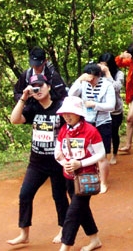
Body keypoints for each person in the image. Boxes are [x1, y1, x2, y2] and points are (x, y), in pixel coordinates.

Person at [7, 74, 68, 246]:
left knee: (59, 196)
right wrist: (23, 99)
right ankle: (23, 233)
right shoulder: (33, 108)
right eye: (34, 87)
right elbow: (14, 120)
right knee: (25, 194)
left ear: (49, 87)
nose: (38, 89)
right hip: (37, 163)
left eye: (41, 85)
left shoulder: (60, 107)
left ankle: (64, 229)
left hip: (57, 161)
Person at [55, 96, 104, 251]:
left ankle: (65, 247)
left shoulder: (91, 131)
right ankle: (95, 239)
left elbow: (101, 154)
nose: (67, 116)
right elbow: (57, 152)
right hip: (69, 178)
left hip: (86, 178)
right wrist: (65, 164)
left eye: (71, 113)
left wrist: (80, 164)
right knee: (82, 209)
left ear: (79, 114)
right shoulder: (64, 130)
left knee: (73, 212)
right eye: (64, 113)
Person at [68, 64, 116, 193]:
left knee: (102, 155)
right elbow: (70, 95)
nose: (90, 81)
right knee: (88, 152)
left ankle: (104, 182)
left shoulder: (107, 85)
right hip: (87, 122)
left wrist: (95, 105)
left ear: (98, 76)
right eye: (88, 78)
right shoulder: (83, 83)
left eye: (92, 79)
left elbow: (111, 106)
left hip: (103, 122)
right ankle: (91, 177)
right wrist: (79, 80)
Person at [98, 53, 125, 166]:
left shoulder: (119, 74)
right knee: (101, 134)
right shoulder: (97, 74)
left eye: (106, 65)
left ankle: (114, 154)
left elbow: (116, 87)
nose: (103, 67)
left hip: (115, 110)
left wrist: (108, 74)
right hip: (101, 110)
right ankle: (102, 156)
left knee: (114, 132)